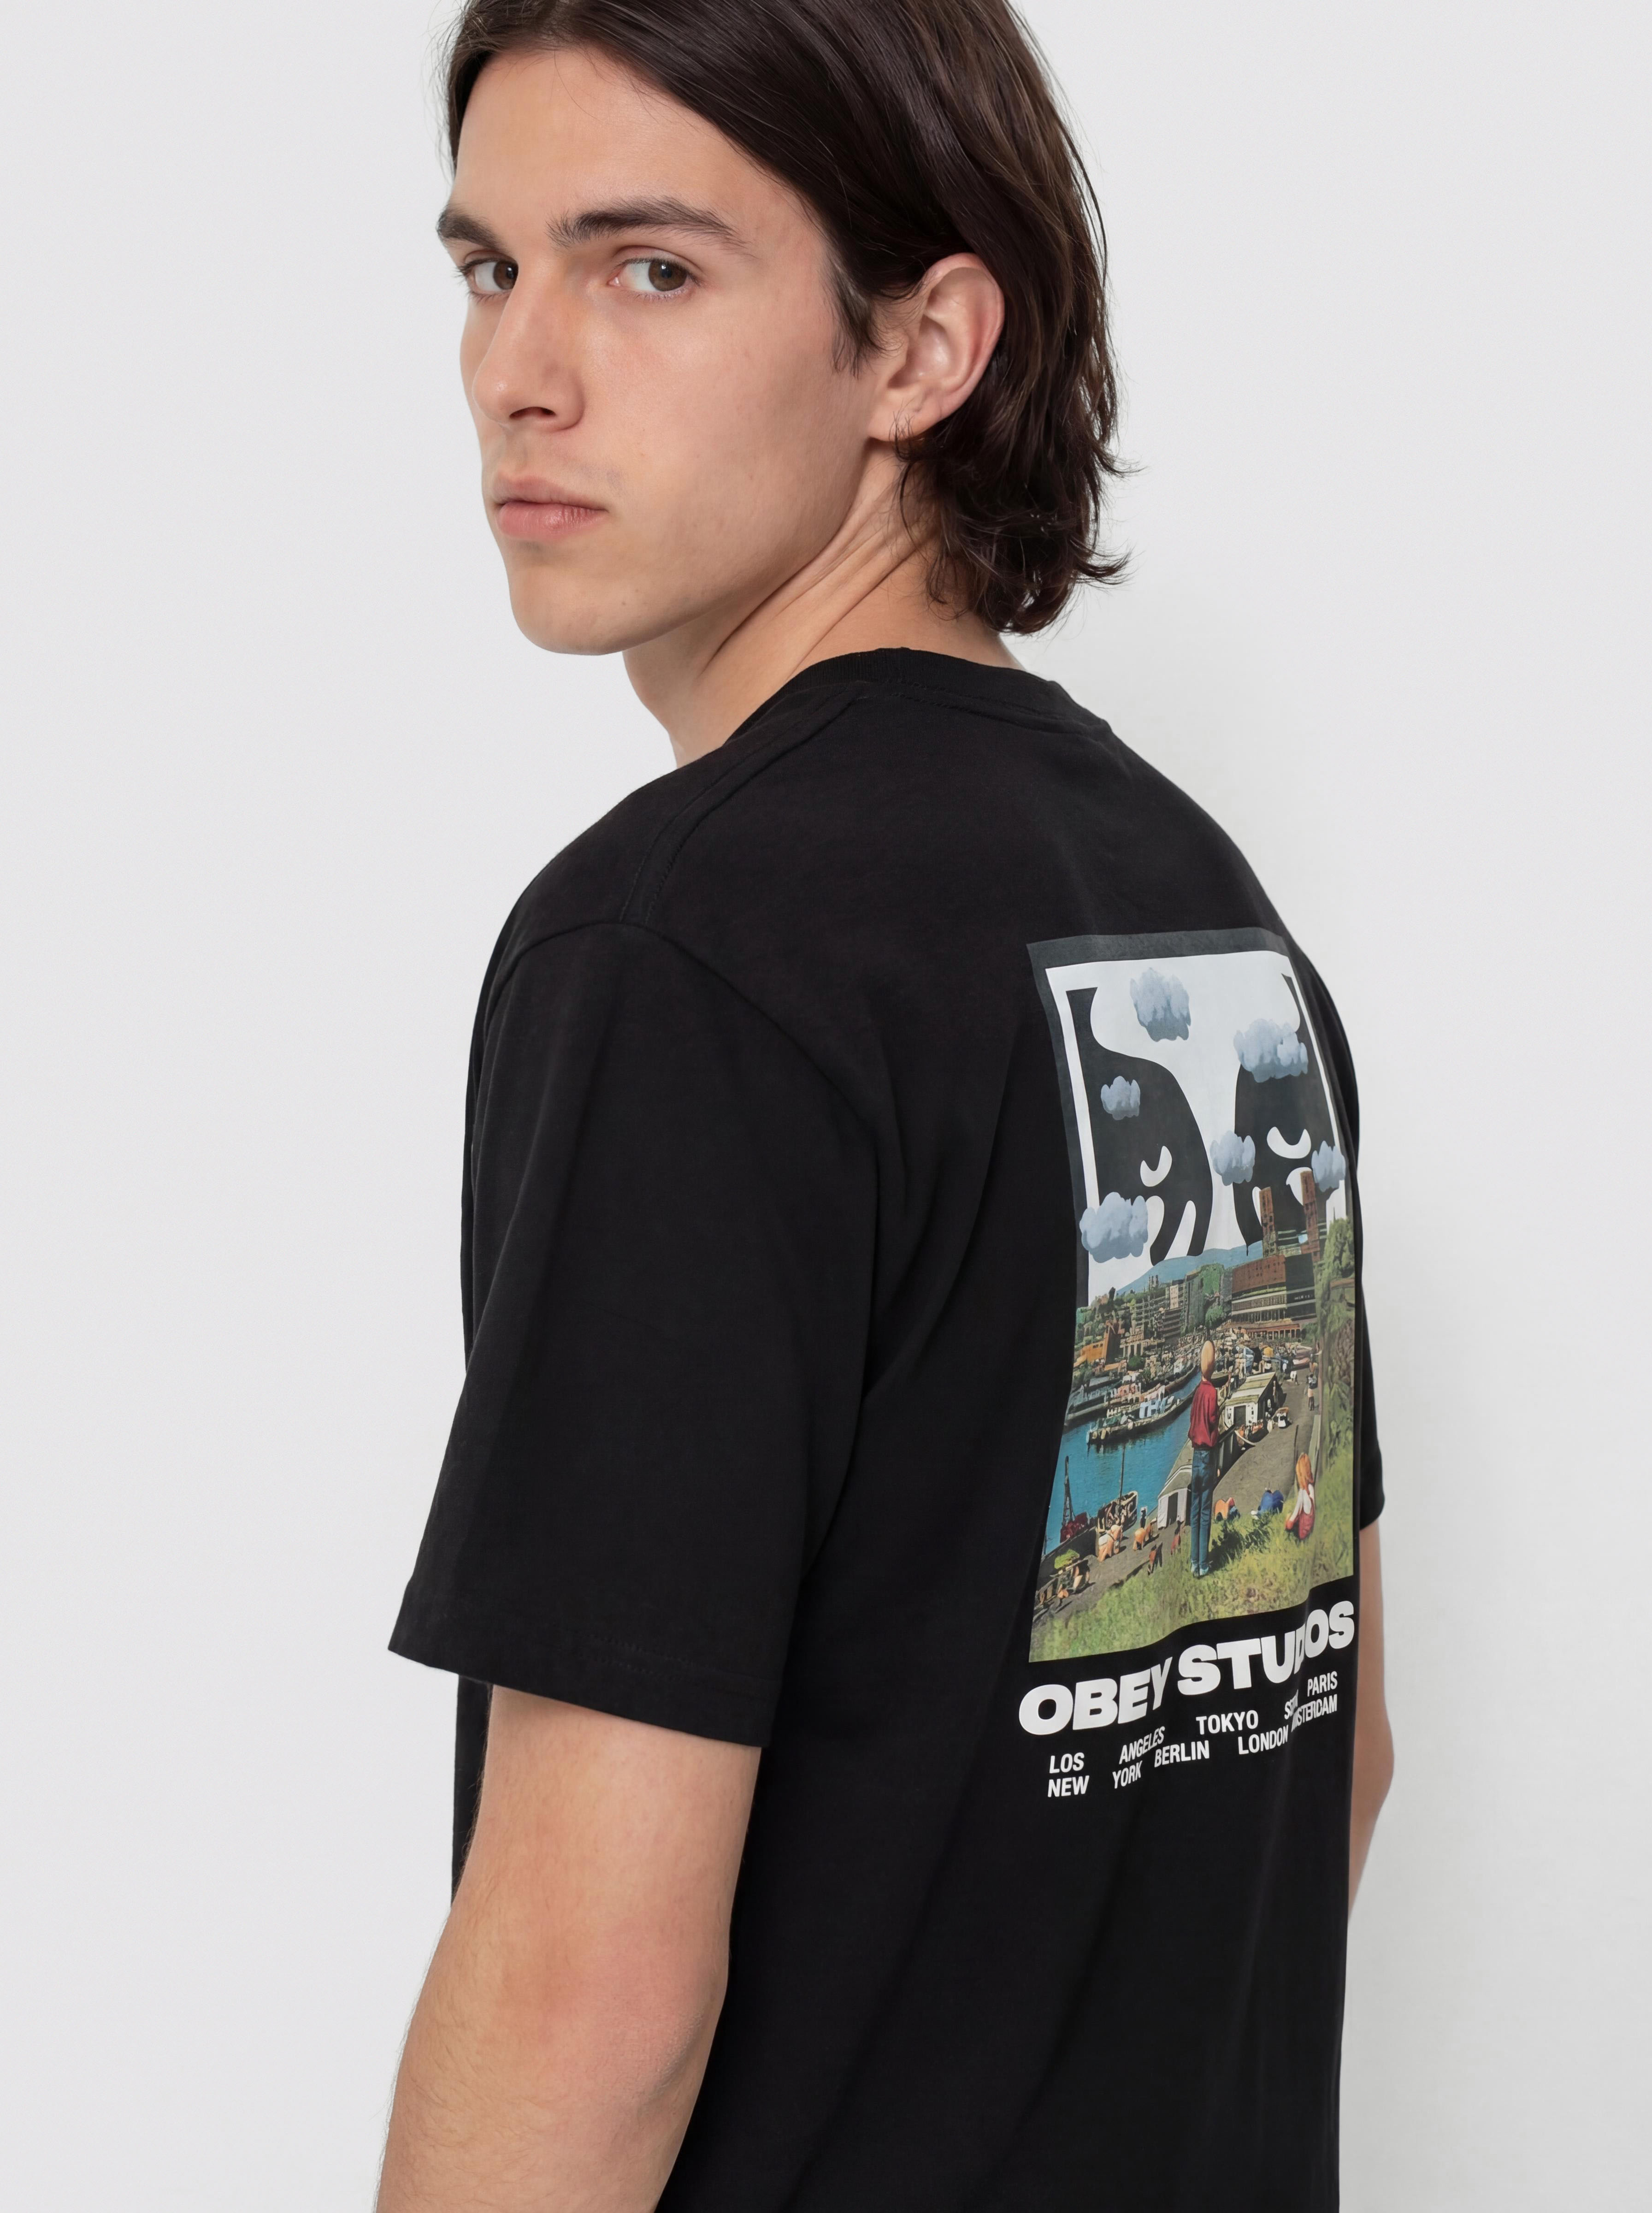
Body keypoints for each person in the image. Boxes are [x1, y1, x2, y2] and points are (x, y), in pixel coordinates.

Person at [379, 4, 1394, 2207]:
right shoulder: (1199, 917)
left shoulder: (682, 952)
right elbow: (1324, 1747)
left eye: (650, 268)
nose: (517, 370)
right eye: (488, 266)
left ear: (923, 346)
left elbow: (585, 1991)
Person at [1187, 1336, 1222, 1578]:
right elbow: (1212, 1423)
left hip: (1195, 1455)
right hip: (1208, 1455)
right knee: (1207, 1511)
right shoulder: (1212, 1392)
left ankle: (1193, 1562)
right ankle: (1203, 1565)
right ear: (1213, 1364)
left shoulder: (1198, 1392)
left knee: (1195, 1509)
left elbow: (1193, 1422)